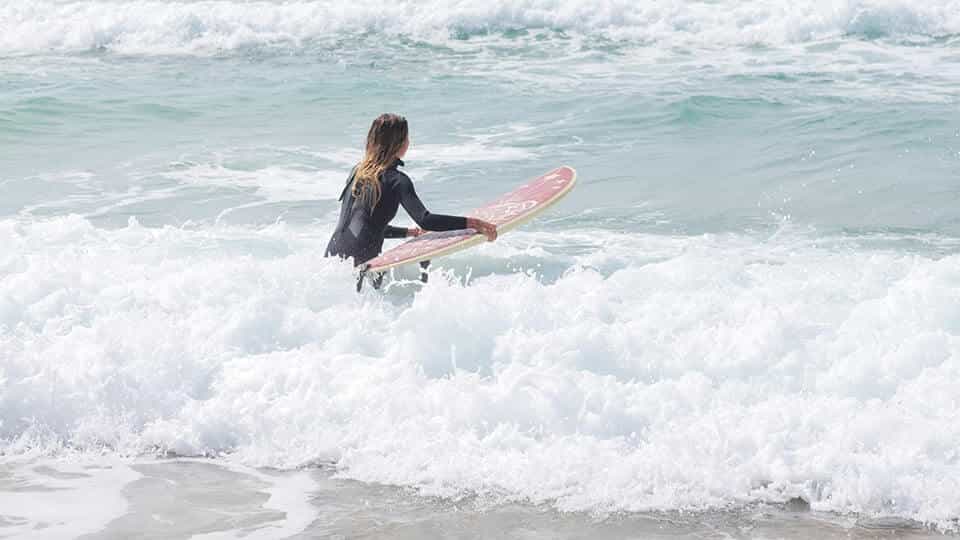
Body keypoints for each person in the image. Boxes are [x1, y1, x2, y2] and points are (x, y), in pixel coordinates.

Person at [326, 113, 497, 283]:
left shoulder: (358, 172)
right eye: (407, 137)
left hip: (332, 261)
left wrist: (409, 233)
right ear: (399, 144)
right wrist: (474, 223)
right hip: (362, 264)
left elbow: (365, 225)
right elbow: (426, 220)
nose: (409, 142)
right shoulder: (397, 180)